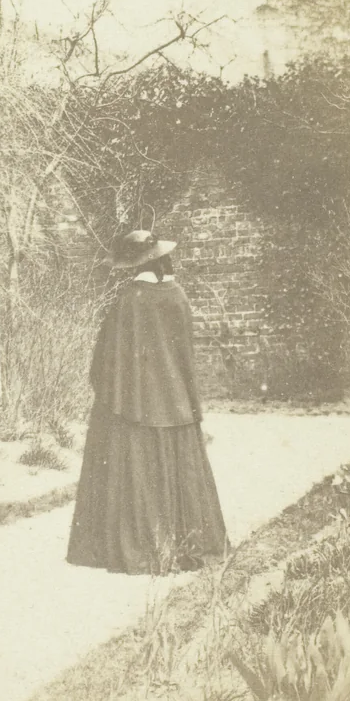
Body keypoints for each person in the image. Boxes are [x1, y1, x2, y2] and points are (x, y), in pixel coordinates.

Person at [66, 229, 228, 575]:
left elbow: (104, 364)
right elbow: (184, 355)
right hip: (178, 405)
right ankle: (188, 545)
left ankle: (145, 546)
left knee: (135, 470)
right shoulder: (178, 296)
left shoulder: (129, 301)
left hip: (134, 409)